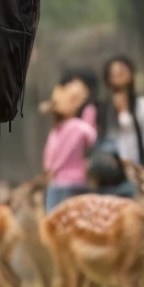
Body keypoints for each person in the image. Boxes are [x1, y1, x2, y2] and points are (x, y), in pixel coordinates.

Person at [99, 55, 144, 185]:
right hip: (113, 171)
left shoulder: (142, 104)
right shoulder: (104, 108)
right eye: (113, 72)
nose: (117, 74)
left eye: (121, 70)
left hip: (139, 166)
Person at [41, 78, 96, 212]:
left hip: (57, 183)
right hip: (77, 182)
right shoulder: (78, 126)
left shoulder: (54, 132)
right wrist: (89, 117)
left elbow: (47, 162)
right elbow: (91, 137)